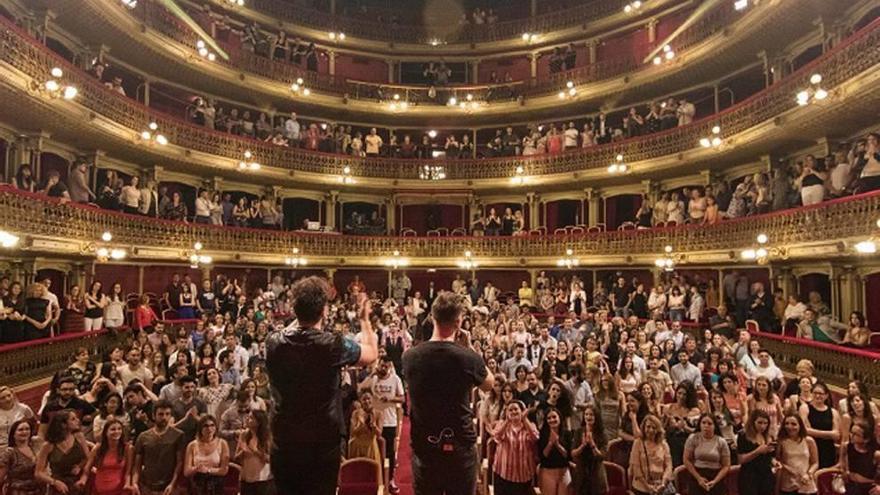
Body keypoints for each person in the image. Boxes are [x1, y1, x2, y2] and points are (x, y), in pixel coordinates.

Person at [265, 276, 378, 495]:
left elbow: (296, 326)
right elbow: (371, 354)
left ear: (294, 309)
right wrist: (364, 320)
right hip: (322, 443)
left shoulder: (273, 342)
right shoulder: (333, 344)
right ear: (325, 311)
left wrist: (301, 310)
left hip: (285, 440)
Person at [403, 292, 494, 495]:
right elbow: (489, 384)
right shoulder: (468, 358)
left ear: (432, 317)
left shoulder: (410, 357)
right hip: (460, 447)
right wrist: (469, 348)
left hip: (425, 447)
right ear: (459, 321)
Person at [131, 400, 185, 495]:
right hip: (147, 486)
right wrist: (134, 483)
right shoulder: (143, 436)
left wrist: (173, 484)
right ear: (153, 415)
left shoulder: (178, 435)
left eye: (167, 414)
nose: (164, 417)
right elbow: (137, 465)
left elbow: (179, 462)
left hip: (168, 487)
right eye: (160, 414)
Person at [35, 410, 89, 495]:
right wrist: (54, 482)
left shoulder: (79, 437)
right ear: (63, 425)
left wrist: (80, 466)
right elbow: (38, 472)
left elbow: (88, 458)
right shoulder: (48, 445)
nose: (78, 420)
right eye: (73, 419)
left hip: (78, 483)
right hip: (59, 486)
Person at [491, 401, 538, 495]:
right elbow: (497, 437)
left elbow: (535, 438)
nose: (513, 412)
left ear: (522, 411)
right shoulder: (502, 424)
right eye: (510, 410)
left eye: (516, 409)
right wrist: (507, 421)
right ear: (506, 413)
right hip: (504, 473)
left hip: (524, 474)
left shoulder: (530, 425)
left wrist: (524, 420)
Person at [77, 418, 131, 495]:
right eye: (113, 429)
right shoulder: (98, 448)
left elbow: (128, 472)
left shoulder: (127, 448)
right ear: (106, 432)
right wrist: (83, 480)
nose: (117, 431)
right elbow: (87, 468)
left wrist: (127, 484)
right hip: (98, 490)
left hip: (120, 490)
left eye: (119, 429)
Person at [683, 413, 731, 495]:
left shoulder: (721, 441)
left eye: (709, 423)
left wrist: (715, 481)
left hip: (716, 476)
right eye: (703, 423)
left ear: (714, 426)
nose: (706, 426)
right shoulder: (693, 438)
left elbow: (726, 465)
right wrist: (699, 478)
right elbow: (686, 460)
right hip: (697, 474)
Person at [184, 415, 230, 495]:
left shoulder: (222, 443)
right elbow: (186, 471)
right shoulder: (192, 445)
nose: (209, 429)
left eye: (212, 425)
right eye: (205, 426)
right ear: (200, 428)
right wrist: (196, 469)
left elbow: (224, 470)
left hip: (215, 484)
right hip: (197, 484)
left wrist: (208, 470)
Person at [798, 382, 840, 468]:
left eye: (820, 393)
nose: (817, 396)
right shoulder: (805, 408)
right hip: (809, 448)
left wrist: (812, 431)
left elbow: (836, 435)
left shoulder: (833, 412)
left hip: (827, 450)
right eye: (815, 393)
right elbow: (803, 430)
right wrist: (828, 434)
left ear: (826, 395)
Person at [629, 414, 674, 495]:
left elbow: (669, 466)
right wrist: (648, 487)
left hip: (661, 486)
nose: (650, 430)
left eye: (654, 428)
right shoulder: (638, 443)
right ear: (643, 428)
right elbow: (636, 469)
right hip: (642, 487)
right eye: (648, 427)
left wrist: (663, 483)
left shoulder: (664, 444)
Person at [736, 410, 778, 495]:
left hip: (766, 476)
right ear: (753, 422)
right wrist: (757, 451)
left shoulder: (769, 436)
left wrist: (774, 462)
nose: (763, 426)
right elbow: (741, 460)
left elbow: (771, 457)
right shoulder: (743, 436)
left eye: (765, 423)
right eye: (760, 422)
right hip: (749, 476)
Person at [776, 414, 818, 495]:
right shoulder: (781, 441)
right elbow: (777, 461)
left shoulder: (809, 441)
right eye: (786, 424)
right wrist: (788, 469)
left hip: (806, 482)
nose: (789, 427)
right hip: (788, 483)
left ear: (800, 426)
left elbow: (815, 463)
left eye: (793, 424)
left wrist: (809, 474)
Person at [571, 404, 607, 495]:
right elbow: (573, 453)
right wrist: (583, 445)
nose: (588, 417)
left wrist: (592, 444)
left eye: (591, 415)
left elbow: (602, 456)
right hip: (581, 472)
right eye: (586, 414)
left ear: (596, 417)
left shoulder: (602, 434)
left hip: (596, 473)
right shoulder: (579, 432)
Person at [236, 410, 273, 495]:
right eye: (248, 417)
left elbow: (269, 459)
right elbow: (236, 457)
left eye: (251, 418)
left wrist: (255, 450)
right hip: (246, 477)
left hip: (262, 479)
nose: (247, 419)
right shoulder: (244, 435)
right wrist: (243, 451)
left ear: (259, 422)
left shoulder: (266, 436)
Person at [0, 419, 41, 495]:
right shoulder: (10, 452)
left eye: (27, 429)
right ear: (14, 434)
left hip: (37, 490)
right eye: (20, 430)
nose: (24, 432)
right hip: (17, 491)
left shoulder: (36, 449)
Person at [839, 422, 880, 495]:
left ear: (866, 439)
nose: (851, 436)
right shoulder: (846, 447)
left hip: (869, 488)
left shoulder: (875, 454)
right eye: (851, 432)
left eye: (856, 435)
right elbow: (842, 465)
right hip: (851, 486)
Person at [538, 407, 572, 495]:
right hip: (547, 471)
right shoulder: (542, 434)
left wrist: (557, 444)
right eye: (549, 418)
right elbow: (542, 456)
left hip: (563, 471)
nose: (552, 420)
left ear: (559, 418)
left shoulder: (567, 433)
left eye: (554, 417)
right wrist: (550, 443)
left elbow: (568, 456)